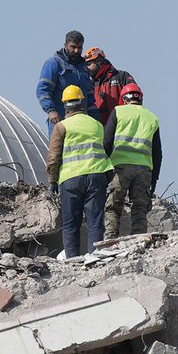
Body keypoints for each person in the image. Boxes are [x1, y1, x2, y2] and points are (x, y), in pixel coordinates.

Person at [47, 85, 114, 257]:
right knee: (95, 221)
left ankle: (72, 259)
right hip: (96, 176)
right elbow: (106, 149)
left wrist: (52, 181)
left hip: (71, 179)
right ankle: (95, 256)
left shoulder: (61, 127)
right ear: (82, 103)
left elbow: (54, 156)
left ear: (65, 105)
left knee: (70, 223)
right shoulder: (97, 125)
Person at [102, 83, 160, 239]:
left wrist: (104, 169)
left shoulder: (118, 112)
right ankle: (139, 239)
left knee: (114, 206)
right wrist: (154, 179)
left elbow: (106, 142)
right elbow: (157, 153)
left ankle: (110, 238)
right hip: (143, 170)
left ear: (123, 99)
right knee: (140, 208)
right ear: (140, 99)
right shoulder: (151, 117)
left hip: (120, 169)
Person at [36, 31, 96, 135]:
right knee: (59, 150)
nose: (77, 51)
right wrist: (50, 111)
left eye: (79, 47)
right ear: (65, 45)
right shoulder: (54, 63)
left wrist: (95, 119)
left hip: (83, 124)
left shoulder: (83, 68)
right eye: (73, 47)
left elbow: (90, 96)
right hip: (61, 121)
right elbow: (43, 90)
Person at [85, 47, 135, 125]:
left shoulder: (122, 77)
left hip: (122, 126)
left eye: (89, 64)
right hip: (100, 131)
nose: (87, 68)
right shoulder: (91, 85)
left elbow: (135, 100)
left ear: (99, 61)